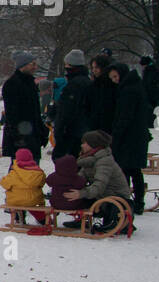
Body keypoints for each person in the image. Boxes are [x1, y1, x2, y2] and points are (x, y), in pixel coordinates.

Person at [61, 131, 133, 231]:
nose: (82, 145)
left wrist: (81, 193)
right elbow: (79, 179)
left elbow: (100, 185)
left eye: (84, 143)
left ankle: (114, 221)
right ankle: (83, 218)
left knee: (83, 196)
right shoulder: (89, 159)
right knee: (76, 196)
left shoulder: (104, 161)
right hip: (102, 195)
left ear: (93, 144)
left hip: (115, 197)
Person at [107, 61, 151, 215]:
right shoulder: (134, 86)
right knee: (135, 170)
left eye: (115, 77)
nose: (114, 80)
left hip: (129, 137)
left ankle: (127, 201)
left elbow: (124, 116)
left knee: (126, 170)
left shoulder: (128, 91)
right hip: (136, 136)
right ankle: (137, 202)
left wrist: (116, 134)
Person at [1, 51, 48, 163]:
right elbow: (13, 115)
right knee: (21, 172)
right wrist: (20, 138)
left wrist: (41, 131)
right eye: (32, 64)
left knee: (32, 172)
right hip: (22, 138)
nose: (35, 67)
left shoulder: (30, 83)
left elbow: (35, 112)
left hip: (32, 136)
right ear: (23, 65)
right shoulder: (12, 84)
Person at [0, 148, 48, 224]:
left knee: (16, 199)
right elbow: (42, 184)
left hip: (16, 201)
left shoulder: (14, 172)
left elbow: (4, 184)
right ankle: (43, 220)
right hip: (34, 200)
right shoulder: (38, 172)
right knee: (32, 202)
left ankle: (18, 219)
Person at [86, 54, 118, 133]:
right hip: (95, 125)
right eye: (92, 68)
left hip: (108, 126)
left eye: (96, 67)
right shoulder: (94, 85)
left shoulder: (111, 84)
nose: (94, 70)